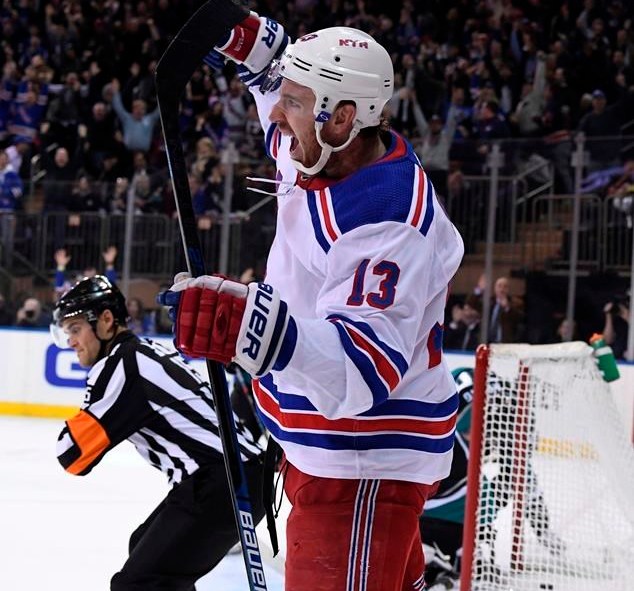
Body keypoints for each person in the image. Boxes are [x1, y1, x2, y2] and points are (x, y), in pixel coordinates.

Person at [160, 16, 464, 591]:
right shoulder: (321, 149)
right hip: (327, 455)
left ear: (343, 117)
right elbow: (277, 99)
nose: (277, 116)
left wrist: (251, 328)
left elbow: (364, 369)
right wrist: (257, 50)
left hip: (361, 465)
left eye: (295, 102)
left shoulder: (386, 219)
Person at [50, 275, 265, 590]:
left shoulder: (122, 364)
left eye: (75, 329)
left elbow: (73, 454)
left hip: (220, 483)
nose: (70, 341)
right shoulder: (144, 351)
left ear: (106, 320)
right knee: (141, 545)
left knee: (138, 584)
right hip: (239, 474)